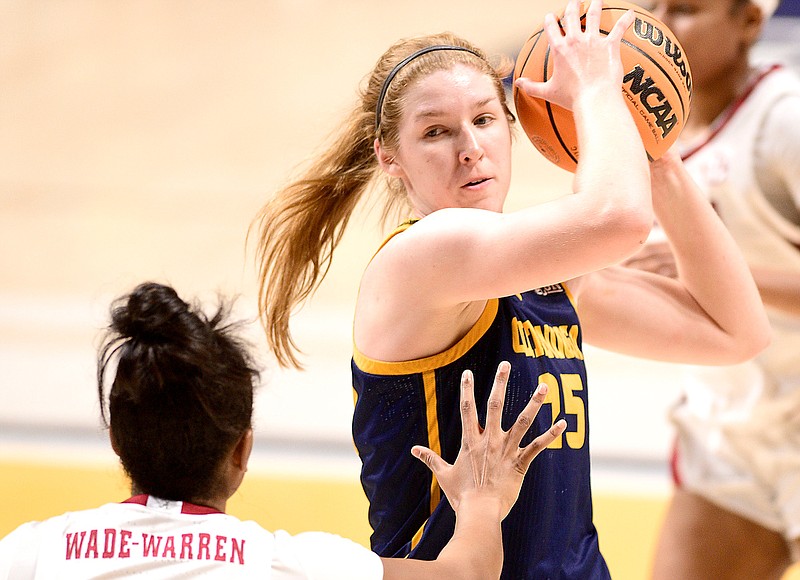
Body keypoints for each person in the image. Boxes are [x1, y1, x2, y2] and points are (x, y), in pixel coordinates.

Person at [251, 0, 771, 577]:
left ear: (511, 126)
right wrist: (602, 91)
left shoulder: (541, 281)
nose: (469, 146)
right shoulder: (422, 258)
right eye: (435, 132)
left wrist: (660, 158)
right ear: (390, 159)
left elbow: (735, 331)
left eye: (484, 119)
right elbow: (619, 220)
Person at [0, 281, 565, 579]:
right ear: (242, 449)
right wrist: (483, 499)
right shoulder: (284, 565)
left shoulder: (33, 553)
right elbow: (463, 578)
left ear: (117, 440)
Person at [624, 1, 800, 578]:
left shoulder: (784, 119)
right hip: (726, 436)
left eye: (686, 9)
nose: (659, 24)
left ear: (749, 23)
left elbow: (699, 278)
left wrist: (713, 273)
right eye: (650, 7)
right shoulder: (636, 132)